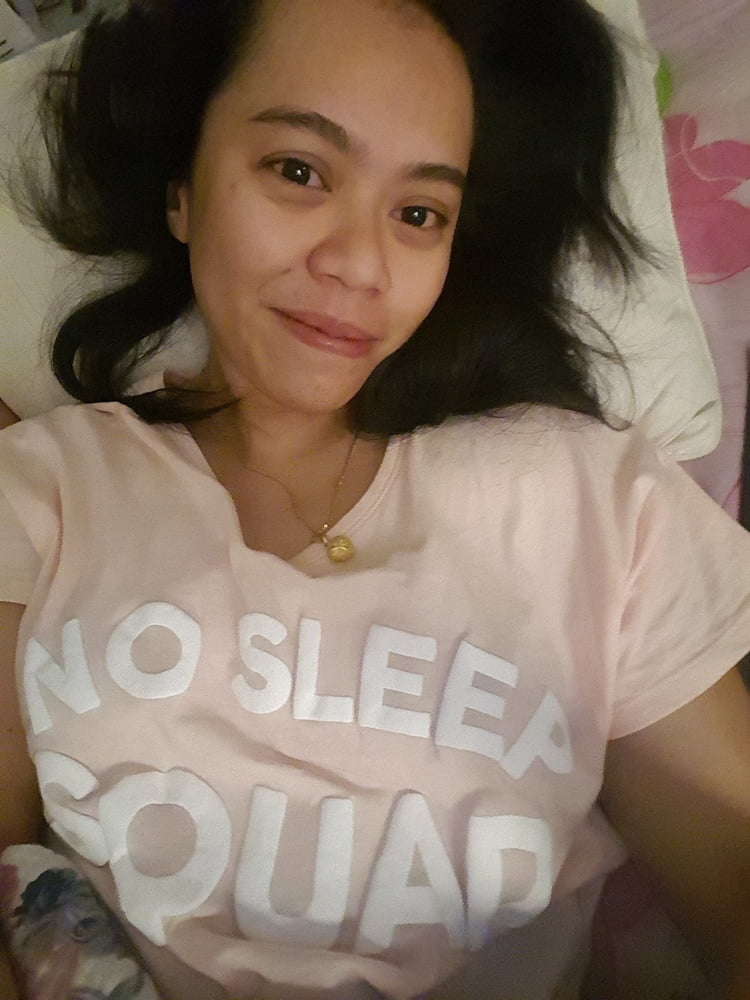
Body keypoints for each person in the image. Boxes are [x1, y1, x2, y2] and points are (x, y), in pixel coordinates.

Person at [1, 0, 749, 998]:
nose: (359, 264)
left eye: (418, 214)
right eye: (298, 171)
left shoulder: (595, 505)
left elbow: (735, 866)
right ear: (182, 188)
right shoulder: (45, 490)